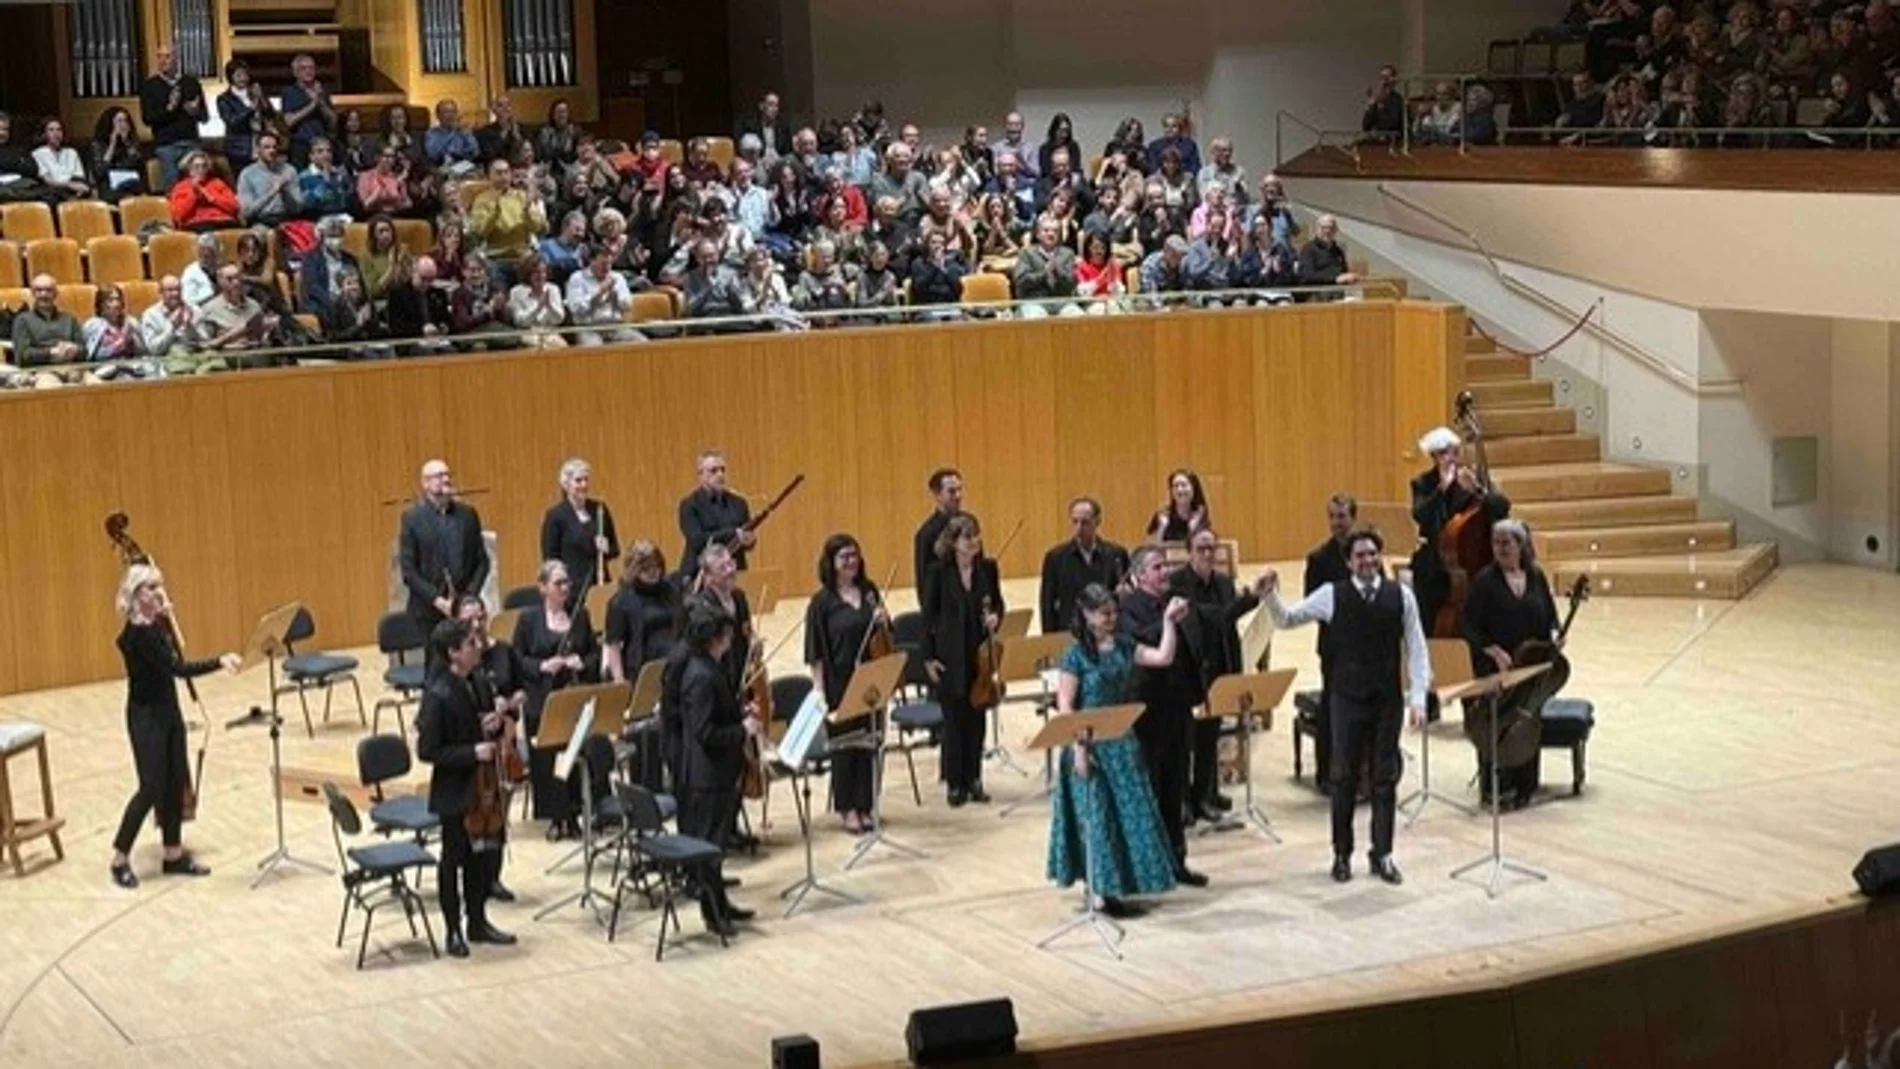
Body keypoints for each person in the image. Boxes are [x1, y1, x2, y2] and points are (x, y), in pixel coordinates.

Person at [1263, 528, 1430, 885]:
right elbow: (1287, 619)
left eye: (1372, 554)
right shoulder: (1331, 595)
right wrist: (1270, 597)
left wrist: (1418, 697)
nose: (1368, 561)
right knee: (1343, 777)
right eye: (1360, 556)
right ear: (1349, 562)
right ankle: (1342, 853)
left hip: (1386, 699)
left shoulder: (1401, 595)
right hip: (1346, 697)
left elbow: (1417, 647)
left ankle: (1382, 854)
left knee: (1385, 777)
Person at [1048, 583, 1190, 918]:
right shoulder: (1074, 655)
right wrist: (1079, 747)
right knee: (1096, 818)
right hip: (1089, 745)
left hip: (1122, 743)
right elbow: (1065, 703)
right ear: (1087, 615)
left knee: (1126, 817)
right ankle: (1099, 891)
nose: (1112, 619)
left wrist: (1169, 622)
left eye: (1114, 612)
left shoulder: (1124, 645)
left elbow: (1163, 657)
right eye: (1104, 613)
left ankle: (1119, 885)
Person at [109, 565, 241, 889]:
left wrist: (164, 622)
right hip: (146, 717)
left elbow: (168, 658)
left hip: (168, 711)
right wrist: (218, 661)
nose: (160, 593)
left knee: (174, 781)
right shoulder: (138, 635)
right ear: (138, 595)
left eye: (161, 586)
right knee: (150, 787)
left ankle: (173, 853)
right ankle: (119, 859)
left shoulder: (155, 626)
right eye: (152, 588)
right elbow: (177, 669)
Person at [416, 618, 518, 957]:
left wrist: (492, 723)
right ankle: (452, 931)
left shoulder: (478, 681)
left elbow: (482, 724)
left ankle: (477, 921)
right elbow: (428, 750)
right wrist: (471, 752)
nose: (479, 647)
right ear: (453, 653)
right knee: (453, 860)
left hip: (482, 788)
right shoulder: (438, 693)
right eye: (471, 643)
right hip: (455, 791)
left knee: (481, 858)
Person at [1116, 545, 1206, 883]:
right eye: (1157, 567)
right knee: (1150, 789)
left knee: (1175, 787)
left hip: (1178, 709)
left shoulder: (1175, 603)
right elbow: (1138, 641)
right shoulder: (1128, 608)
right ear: (1140, 575)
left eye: (1166, 566)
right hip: (1147, 713)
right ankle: (1147, 868)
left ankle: (1176, 860)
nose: (1165, 571)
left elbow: (1208, 624)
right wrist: (1167, 621)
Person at [1170, 528, 1270, 823]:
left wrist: (1251, 598)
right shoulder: (1177, 583)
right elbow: (1209, 617)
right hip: (1188, 671)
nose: (1207, 554)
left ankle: (1206, 794)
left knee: (1209, 737)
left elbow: (1228, 621)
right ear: (1189, 551)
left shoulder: (1224, 583)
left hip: (1218, 668)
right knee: (1184, 739)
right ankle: (1183, 799)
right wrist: (1249, 598)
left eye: (1211, 548)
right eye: (1201, 548)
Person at [674, 603, 762, 935]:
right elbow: (706, 732)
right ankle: (713, 915)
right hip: (708, 776)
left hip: (717, 773)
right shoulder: (700, 676)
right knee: (711, 849)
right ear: (714, 638)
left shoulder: (708, 667)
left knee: (718, 847)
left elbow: (716, 715)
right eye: (726, 634)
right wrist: (743, 730)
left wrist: (740, 713)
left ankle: (721, 905)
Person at [1460, 519, 1558, 809]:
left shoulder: (1536, 576)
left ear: (1520, 545)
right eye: (1496, 542)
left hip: (1530, 665)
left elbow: (1550, 617)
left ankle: (1526, 784)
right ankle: (1495, 787)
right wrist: (1492, 651)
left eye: (1506, 542)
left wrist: (1555, 637)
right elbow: (1468, 625)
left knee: (1527, 718)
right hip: (1496, 668)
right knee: (1496, 723)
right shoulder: (1484, 581)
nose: (1500, 548)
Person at [804, 534, 890, 833]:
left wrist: (883, 620)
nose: (851, 561)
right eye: (844, 557)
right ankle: (848, 807)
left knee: (869, 742)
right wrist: (819, 690)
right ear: (831, 562)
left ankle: (866, 804)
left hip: (870, 679)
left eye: (854, 555)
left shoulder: (869, 591)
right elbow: (815, 651)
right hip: (838, 683)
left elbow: (885, 635)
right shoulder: (821, 603)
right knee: (844, 746)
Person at [921, 512, 1003, 808]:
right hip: (949, 656)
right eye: (967, 536)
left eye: (976, 535)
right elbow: (927, 618)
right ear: (953, 542)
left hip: (980, 655)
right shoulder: (938, 573)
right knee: (955, 722)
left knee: (977, 719)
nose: (974, 541)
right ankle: (955, 783)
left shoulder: (987, 569)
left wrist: (996, 618)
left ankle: (975, 779)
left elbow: (998, 604)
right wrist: (928, 658)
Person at [512, 560, 599, 837]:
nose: (565, 588)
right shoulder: (528, 620)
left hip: (573, 697)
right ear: (543, 587)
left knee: (576, 754)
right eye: (558, 583)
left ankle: (576, 811)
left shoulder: (580, 615)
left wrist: (580, 662)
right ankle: (556, 816)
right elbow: (517, 659)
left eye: (567, 582)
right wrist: (542, 666)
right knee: (548, 757)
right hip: (542, 700)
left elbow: (594, 654)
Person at [455, 594, 527, 902]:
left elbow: (522, 691)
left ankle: (493, 877)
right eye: (468, 620)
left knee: (498, 813)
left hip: (503, 744)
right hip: (472, 747)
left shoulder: (504, 651)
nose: (477, 625)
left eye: (480, 618)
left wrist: (508, 703)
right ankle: (472, 880)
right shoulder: (458, 661)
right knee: (473, 814)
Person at [1410, 424, 1512, 635]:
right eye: (1444, 453)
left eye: (1455, 452)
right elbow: (1419, 514)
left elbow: (1501, 508)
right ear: (1433, 456)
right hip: (1433, 562)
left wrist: (1479, 491)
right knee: (1426, 588)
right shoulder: (1423, 483)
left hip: (1467, 560)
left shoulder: (1469, 480)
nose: (1451, 458)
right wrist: (1441, 489)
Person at [1301, 493, 1358, 792]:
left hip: (1365, 647)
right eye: (1333, 517)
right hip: (1334, 646)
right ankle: (1326, 773)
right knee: (1332, 707)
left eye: (1342, 517)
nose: (1337, 523)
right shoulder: (1319, 559)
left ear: (1353, 518)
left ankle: (1361, 770)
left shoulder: (1365, 552)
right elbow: (1311, 604)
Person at [398, 458, 491, 638]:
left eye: (448, 475)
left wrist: (467, 599)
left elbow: (482, 561)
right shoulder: (412, 519)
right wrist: (438, 601)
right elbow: (409, 571)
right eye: (439, 476)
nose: (446, 479)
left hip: (466, 610)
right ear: (425, 483)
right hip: (428, 611)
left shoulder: (467, 514)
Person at [1038, 497, 1130, 635]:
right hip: (1070, 631)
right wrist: (1049, 638)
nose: (1079, 528)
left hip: (1107, 631)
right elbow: (1047, 604)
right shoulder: (1055, 558)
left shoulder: (1116, 554)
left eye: (1085, 522)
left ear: (1097, 522)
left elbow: (1126, 596)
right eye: (1075, 521)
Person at [603, 541, 683, 685]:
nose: (653, 572)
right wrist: (619, 679)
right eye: (646, 569)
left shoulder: (669, 590)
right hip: (643, 667)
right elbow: (613, 644)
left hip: (674, 661)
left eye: (656, 566)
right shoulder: (621, 601)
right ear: (634, 570)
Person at [140, 42, 207, 189]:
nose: (163, 61)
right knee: (173, 184)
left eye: (167, 56)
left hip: (190, 141)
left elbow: (205, 117)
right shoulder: (149, 86)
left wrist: (195, 111)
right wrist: (169, 109)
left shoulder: (191, 83)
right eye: (159, 57)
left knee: (198, 182)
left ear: (177, 59)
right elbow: (147, 118)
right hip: (166, 145)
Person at [678, 449, 754, 577]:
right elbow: (697, 540)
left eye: (722, 470)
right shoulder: (689, 504)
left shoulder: (739, 503)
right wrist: (733, 533)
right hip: (701, 573)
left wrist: (749, 540)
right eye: (713, 471)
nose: (720, 475)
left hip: (733, 570)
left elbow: (747, 539)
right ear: (700, 475)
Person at [913, 467, 964, 590]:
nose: (958, 495)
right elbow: (924, 583)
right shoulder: (926, 534)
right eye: (952, 491)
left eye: (960, 489)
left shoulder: (970, 522)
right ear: (938, 495)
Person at [1146, 468, 1211, 543]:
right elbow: (1149, 545)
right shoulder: (1162, 514)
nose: (1179, 490)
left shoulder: (1200, 513)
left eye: (1184, 485)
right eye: (1176, 486)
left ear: (1194, 488)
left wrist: (1193, 528)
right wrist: (1162, 528)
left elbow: (1203, 544)